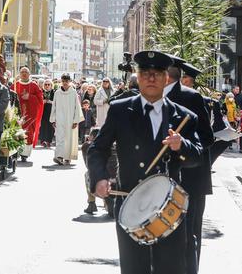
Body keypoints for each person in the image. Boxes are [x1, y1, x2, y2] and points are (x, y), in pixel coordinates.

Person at [88, 50, 203, 274]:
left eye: (157, 73)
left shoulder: (184, 116)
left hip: (170, 208)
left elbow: (197, 157)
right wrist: (99, 178)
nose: (151, 78)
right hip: (132, 205)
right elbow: (97, 149)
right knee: (134, 268)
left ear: (166, 78)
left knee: (170, 268)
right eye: (145, 73)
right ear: (138, 77)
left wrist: (182, 146)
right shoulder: (120, 110)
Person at [164, 56, 214, 274]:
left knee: (189, 236)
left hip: (190, 178)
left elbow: (207, 137)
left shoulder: (192, 97)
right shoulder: (147, 97)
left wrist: (183, 147)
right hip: (161, 179)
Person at [50, 73, 83, 165]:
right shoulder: (57, 93)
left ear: (70, 81)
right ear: (61, 81)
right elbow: (54, 106)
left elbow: (77, 107)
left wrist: (76, 120)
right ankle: (59, 156)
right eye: (63, 81)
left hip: (70, 119)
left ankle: (67, 157)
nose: (65, 83)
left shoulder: (73, 92)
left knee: (69, 138)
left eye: (66, 81)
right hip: (59, 118)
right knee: (59, 138)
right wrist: (53, 119)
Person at [12, 67, 43, 160]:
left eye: (26, 72)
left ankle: (24, 154)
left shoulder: (34, 85)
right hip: (17, 114)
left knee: (28, 133)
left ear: (29, 74)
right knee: (16, 132)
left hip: (30, 114)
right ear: (19, 74)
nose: (24, 73)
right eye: (22, 72)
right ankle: (15, 151)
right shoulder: (15, 85)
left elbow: (40, 99)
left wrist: (30, 97)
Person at [39, 79, 55, 147]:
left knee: (50, 126)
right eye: (45, 84)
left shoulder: (54, 92)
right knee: (43, 126)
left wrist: (50, 102)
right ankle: (43, 141)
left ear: (51, 85)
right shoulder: (40, 92)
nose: (47, 86)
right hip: (42, 111)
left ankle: (49, 141)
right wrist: (43, 101)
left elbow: (56, 102)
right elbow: (38, 101)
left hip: (51, 111)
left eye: (49, 84)